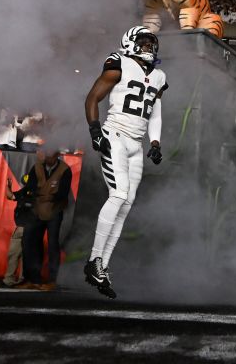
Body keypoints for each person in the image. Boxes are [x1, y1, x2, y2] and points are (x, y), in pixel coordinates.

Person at [82, 25, 168, 299]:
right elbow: (93, 97)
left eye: (150, 42)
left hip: (136, 143)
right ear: (130, 42)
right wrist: (95, 130)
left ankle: (103, 266)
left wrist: (155, 142)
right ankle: (94, 260)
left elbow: (154, 112)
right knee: (118, 195)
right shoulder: (118, 62)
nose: (148, 47)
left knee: (126, 204)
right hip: (115, 135)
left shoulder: (159, 75)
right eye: (142, 42)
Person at [19, 150, 73, 291]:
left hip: (54, 212)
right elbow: (29, 188)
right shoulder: (37, 167)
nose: (47, 157)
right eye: (46, 154)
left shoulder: (65, 170)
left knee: (53, 245)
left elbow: (63, 194)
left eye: (50, 154)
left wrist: (45, 196)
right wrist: (14, 195)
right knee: (29, 242)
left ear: (57, 155)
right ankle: (32, 278)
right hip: (37, 212)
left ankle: (52, 281)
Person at [2, 172, 35, 287]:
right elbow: (10, 196)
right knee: (13, 254)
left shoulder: (39, 194)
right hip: (20, 228)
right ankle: (9, 280)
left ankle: (23, 280)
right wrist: (8, 186)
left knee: (26, 256)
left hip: (31, 229)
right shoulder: (23, 192)